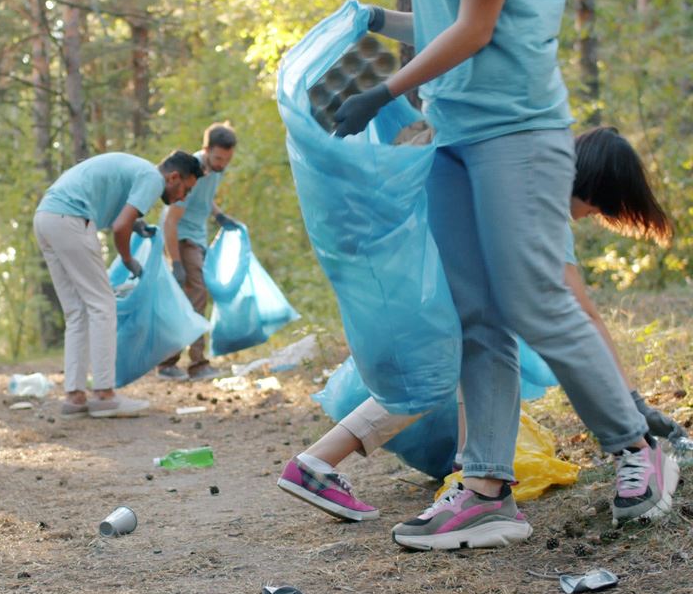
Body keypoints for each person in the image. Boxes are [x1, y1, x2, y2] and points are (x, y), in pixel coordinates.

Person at [329, 0, 677, 549]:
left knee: (533, 300)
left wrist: (384, 92)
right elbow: (443, 22)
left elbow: (477, 31)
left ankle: (638, 446)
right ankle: (487, 489)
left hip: (516, 132)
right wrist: (373, 18)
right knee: (478, 315)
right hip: (455, 134)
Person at [279, 126, 682, 523]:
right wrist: (630, 400)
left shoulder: (517, 173)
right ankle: (458, 483)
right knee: (466, 361)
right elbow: (583, 315)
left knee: (443, 374)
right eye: (599, 209)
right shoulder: (542, 205)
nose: (591, 216)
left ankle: (330, 464)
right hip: (441, 299)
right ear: (596, 191)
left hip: (420, 289)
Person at [34, 151, 203, 418]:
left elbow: (121, 216)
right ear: (173, 177)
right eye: (186, 189)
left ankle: (75, 397)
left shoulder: (139, 170)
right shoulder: (152, 178)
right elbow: (119, 227)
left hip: (46, 216)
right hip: (71, 217)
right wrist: (127, 258)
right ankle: (104, 394)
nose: (183, 197)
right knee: (103, 305)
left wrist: (136, 225)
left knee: (77, 311)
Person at [157, 122, 241, 382]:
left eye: (227, 159)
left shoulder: (215, 169)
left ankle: (170, 362)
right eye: (218, 158)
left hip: (197, 236)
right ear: (206, 150)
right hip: (181, 238)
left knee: (191, 297)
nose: (222, 164)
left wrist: (218, 215)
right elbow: (171, 220)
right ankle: (194, 364)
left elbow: (204, 198)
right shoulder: (189, 171)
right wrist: (176, 262)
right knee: (196, 295)